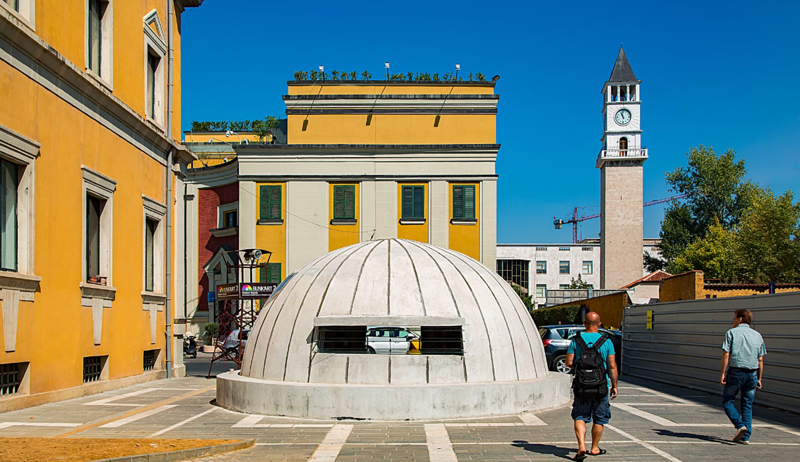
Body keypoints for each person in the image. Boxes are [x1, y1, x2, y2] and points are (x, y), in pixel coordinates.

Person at [565, 312, 618, 460]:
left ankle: (581, 445)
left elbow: (568, 363)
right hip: (601, 385)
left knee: (580, 416)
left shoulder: (576, 341)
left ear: (584, 324)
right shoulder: (606, 342)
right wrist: (614, 385)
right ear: (599, 324)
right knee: (599, 418)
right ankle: (594, 448)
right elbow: (612, 366)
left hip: (581, 386)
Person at [720, 309, 766, 444]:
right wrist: (759, 378)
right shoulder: (757, 335)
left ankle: (740, 425)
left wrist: (723, 373)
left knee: (727, 401)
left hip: (736, 372)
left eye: (734, 318)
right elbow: (761, 359)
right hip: (752, 373)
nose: (732, 321)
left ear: (740, 319)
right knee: (747, 405)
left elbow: (726, 354)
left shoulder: (731, 333)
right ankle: (746, 437)